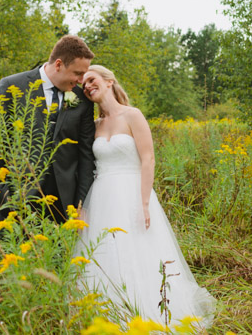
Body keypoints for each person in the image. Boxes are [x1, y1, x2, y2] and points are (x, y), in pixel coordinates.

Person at [77, 65, 216, 326]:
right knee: (103, 252)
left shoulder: (133, 115)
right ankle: (105, 317)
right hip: (102, 196)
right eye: (83, 84)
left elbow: (148, 159)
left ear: (109, 81)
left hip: (132, 192)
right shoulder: (93, 125)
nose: (87, 86)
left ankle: (149, 315)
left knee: (139, 252)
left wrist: (143, 202)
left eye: (91, 80)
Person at [0, 35, 96, 230]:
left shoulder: (81, 99)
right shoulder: (11, 86)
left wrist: (80, 203)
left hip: (63, 208)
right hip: (16, 201)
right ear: (59, 64)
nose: (81, 81)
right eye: (77, 73)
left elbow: (86, 154)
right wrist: (4, 197)